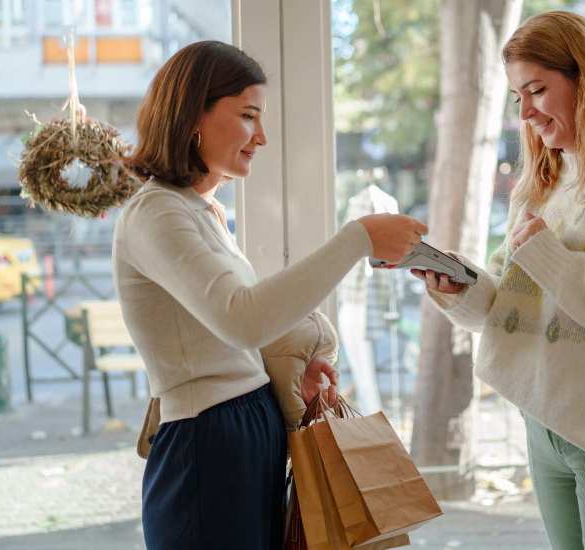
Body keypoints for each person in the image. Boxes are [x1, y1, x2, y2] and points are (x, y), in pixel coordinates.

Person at [114, 40, 427, 550]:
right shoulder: (157, 214)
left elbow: (227, 336)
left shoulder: (199, 212)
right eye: (247, 115)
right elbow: (241, 320)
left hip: (241, 431)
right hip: (207, 442)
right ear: (193, 115)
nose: (261, 136)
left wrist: (285, 371)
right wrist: (358, 239)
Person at [413, 11, 585, 550]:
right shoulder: (542, 181)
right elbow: (512, 303)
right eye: (518, 97)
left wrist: (549, 258)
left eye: (537, 90)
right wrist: (460, 292)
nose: (527, 111)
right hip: (544, 424)